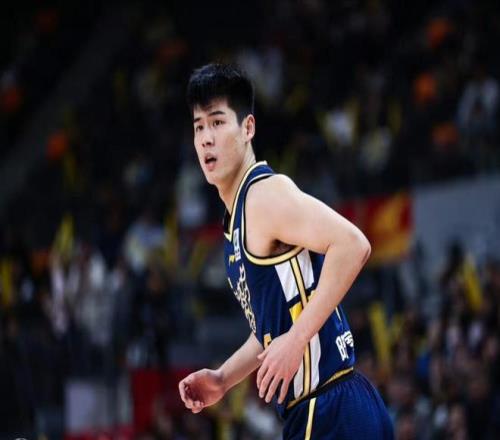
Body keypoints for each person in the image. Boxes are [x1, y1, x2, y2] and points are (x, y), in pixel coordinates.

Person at [178, 63, 394, 439]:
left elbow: (353, 245)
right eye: (199, 127)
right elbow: (271, 329)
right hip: (334, 407)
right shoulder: (236, 223)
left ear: (247, 128)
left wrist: (296, 340)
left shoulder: (263, 195)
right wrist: (223, 378)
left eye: (217, 122)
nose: (206, 138)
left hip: (328, 408)